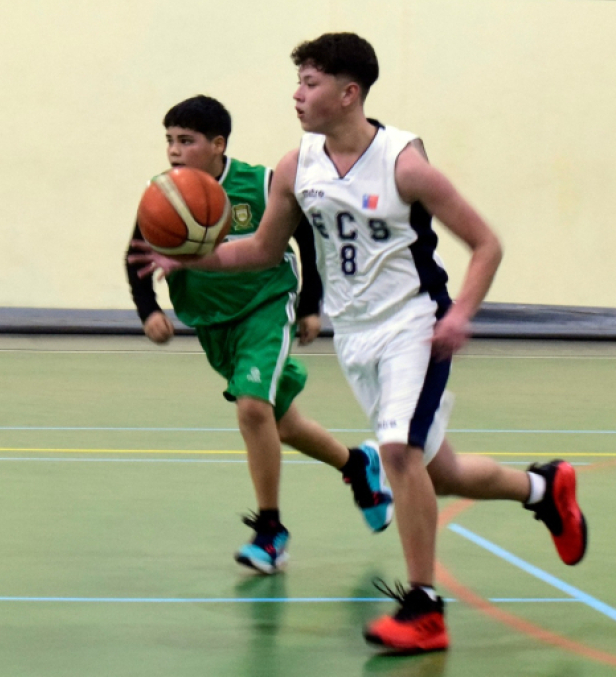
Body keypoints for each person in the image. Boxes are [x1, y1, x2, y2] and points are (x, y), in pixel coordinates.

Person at [131, 40, 587, 651]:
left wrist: (460, 315)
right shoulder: (297, 166)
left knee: (397, 453)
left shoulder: (404, 164)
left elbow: (486, 244)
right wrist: (190, 258)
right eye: (298, 81)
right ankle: (544, 489)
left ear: (349, 94)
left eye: (310, 82)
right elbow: (263, 250)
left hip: (414, 324)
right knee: (437, 472)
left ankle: (424, 608)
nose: (297, 94)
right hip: (356, 336)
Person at [125, 95, 395, 576]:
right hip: (212, 322)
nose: (174, 150)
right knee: (280, 423)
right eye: (169, 140)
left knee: (252, 408)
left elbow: (307, 240)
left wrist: (310, 304)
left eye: (186, 140)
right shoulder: (163, 195)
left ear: (218, 145)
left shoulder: (260, 183)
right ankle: (358, 466)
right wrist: (148, 310)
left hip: (266, 305)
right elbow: (137, 255)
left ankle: (270, 531)